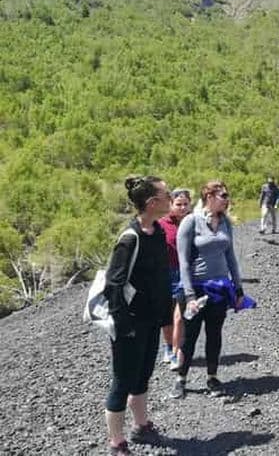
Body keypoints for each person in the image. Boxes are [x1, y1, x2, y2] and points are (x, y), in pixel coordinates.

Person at [104, 175, 173, 455]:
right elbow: (114, 285)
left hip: (150, 320)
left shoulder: (157, 233)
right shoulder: (129, 239)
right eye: (166, 195)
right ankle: (117, 442)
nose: (170, 199)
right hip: (129, 324)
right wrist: (123, 326)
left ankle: (141, 426)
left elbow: (161, 280)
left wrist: (165, 318)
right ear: (152, 202)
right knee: (122, 381)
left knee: (143, 375)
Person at [171, 181, 244, 399]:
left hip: (219, 288)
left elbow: (231, 257)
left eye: (226, 194)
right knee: (190, 336)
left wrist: (238, 288)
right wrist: (190, 295)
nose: (226, 198)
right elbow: (183, 262)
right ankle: (180, 379)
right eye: (223, 195)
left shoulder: (225, 223)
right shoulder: (191, 222)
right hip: (195, 289)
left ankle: (212, 376)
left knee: (215, 334)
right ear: (209, 196)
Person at [157, 188, 192, 370]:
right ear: (170, 204)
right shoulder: (161, 224)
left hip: (186, 274)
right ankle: (168, 346)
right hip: (166, 273)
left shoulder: (193, 222)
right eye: (178, 204)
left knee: (180, 316)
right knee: (167, 315)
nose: (182, 207)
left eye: (186, 204)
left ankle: (178, 350)